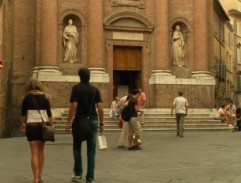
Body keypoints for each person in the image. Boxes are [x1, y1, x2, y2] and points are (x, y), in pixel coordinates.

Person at [65, 67, 104, 183]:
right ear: (89, 76)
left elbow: (74, 106)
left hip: (79, 121)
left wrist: (68, 122)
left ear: (79, 76)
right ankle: (90, 177)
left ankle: (78, 174)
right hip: (92, 121)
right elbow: (100, 109)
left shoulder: (76, 89)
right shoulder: (95, 90)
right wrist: (101, 123)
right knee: (91, 150)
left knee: (77, 147)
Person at [20, 79, 54, 183]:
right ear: (39, 86)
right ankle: (40, 176)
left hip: (31, 127)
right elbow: (49, 115)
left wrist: (23, 124)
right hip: (42, 127)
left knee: (34, 153)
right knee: (41, 151)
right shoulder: (45, 98)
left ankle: (35, 179)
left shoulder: (26, 98)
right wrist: (51, 125)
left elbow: (22, 115)